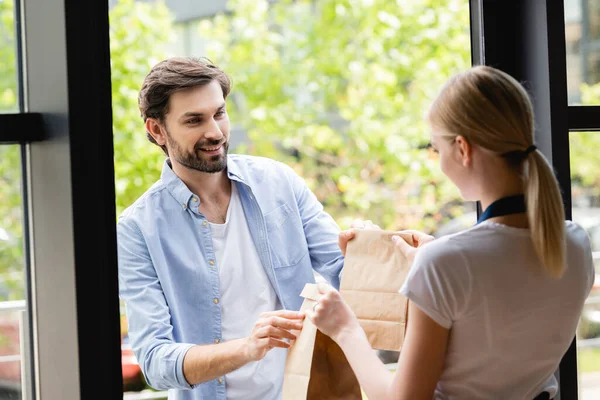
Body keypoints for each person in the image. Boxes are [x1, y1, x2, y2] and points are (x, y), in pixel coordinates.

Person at [307, 65, 595, 400]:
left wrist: (345, 328)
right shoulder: (575, 242)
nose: (439, 162)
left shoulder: (445, 263)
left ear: (462, 148)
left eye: (436, 149)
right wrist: (429, 266)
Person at [116, 57, 360, 400]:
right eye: (194, 120)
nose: (215, 132)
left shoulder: (279, 184)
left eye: (219, 113)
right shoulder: (137, 230)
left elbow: (345, 272)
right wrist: (248, 348)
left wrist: (378, 253)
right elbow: (156, 362)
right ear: (157, 130)